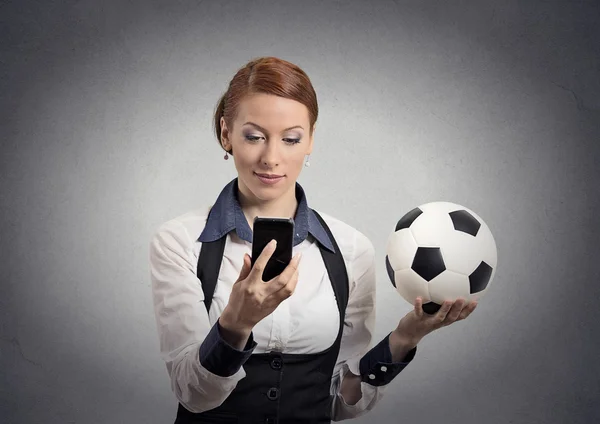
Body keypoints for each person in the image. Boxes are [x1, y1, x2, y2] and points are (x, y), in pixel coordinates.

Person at [149, 56, 478, 424]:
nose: (271, 158)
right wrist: (234, 325)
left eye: (291, 139)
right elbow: (194, 396)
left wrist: (404, 338)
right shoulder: (180, 241)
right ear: (226, 134)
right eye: (254, 136)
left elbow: (339, 400)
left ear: (310, 141)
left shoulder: (351, 250)